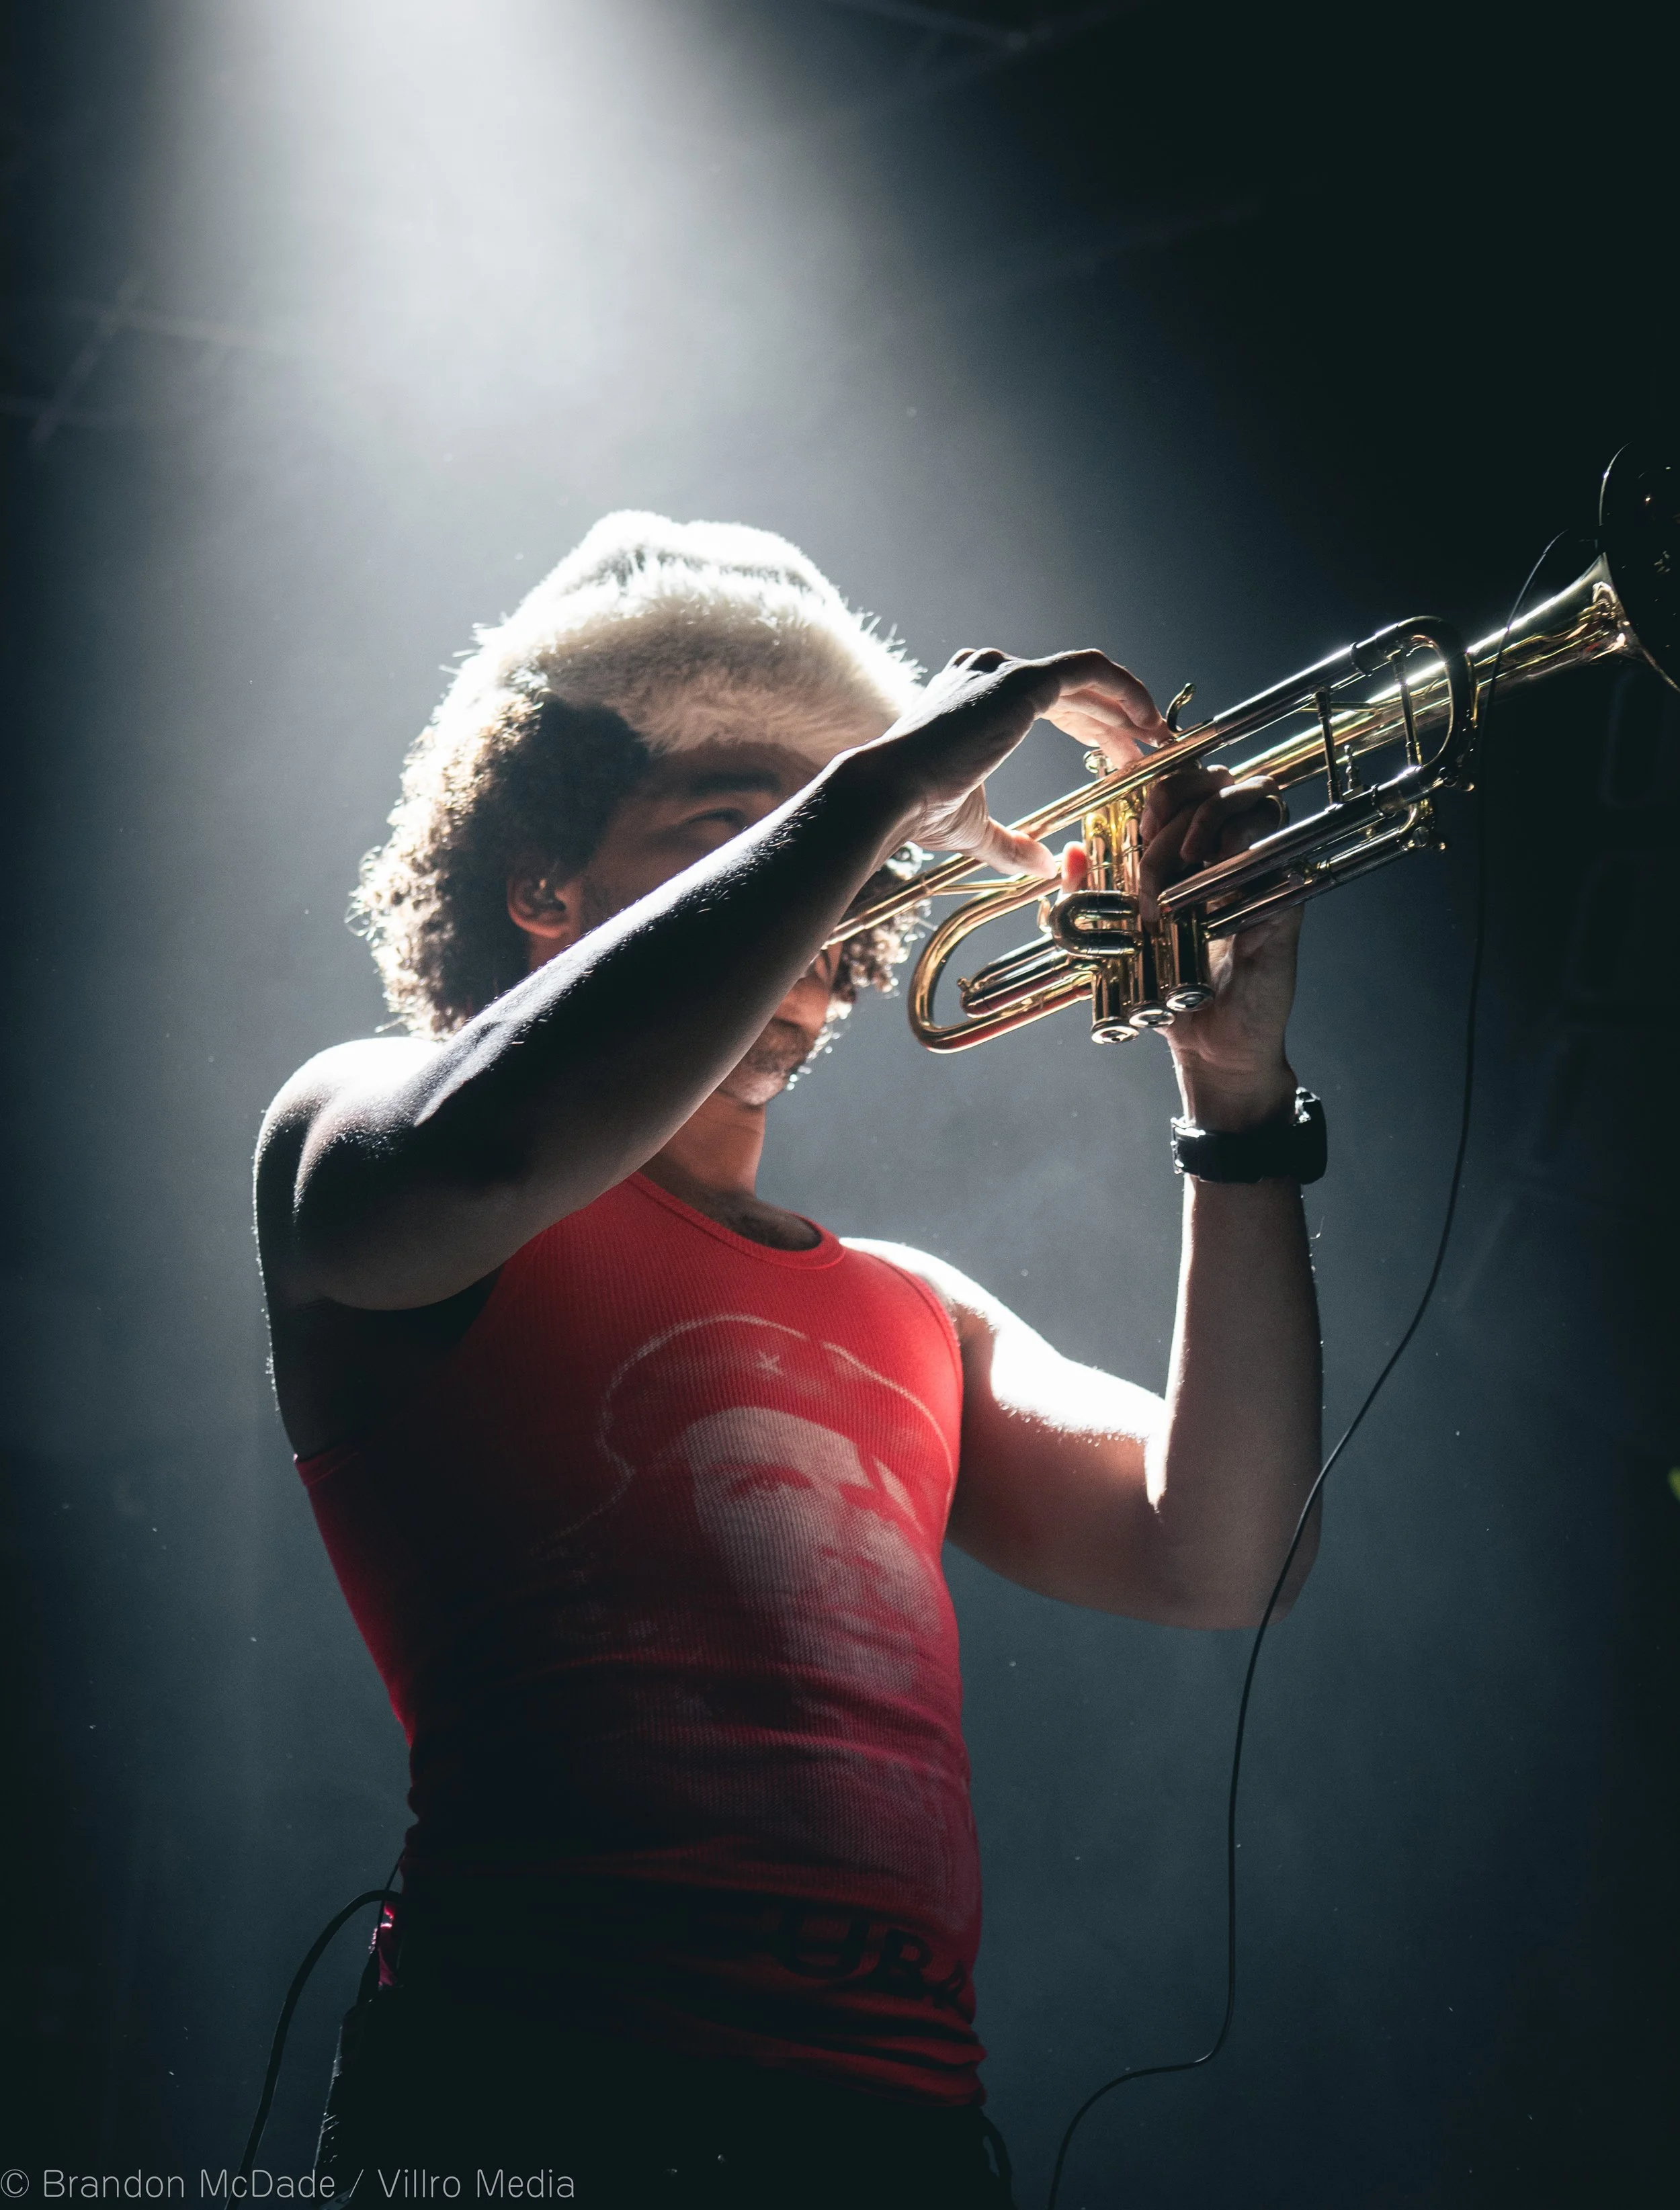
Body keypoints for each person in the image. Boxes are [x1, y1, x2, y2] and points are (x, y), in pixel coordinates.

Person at [253, 515, 1322, 2208]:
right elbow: (479, 1160)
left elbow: (1227, 1556)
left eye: (839, 862)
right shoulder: (353, 1116)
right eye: (729, 834)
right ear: (539, 886)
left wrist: (1235, 1098)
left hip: (897, 2137)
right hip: (524, 2093)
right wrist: (878, 783)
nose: (825, 899)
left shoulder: (916, 1309)